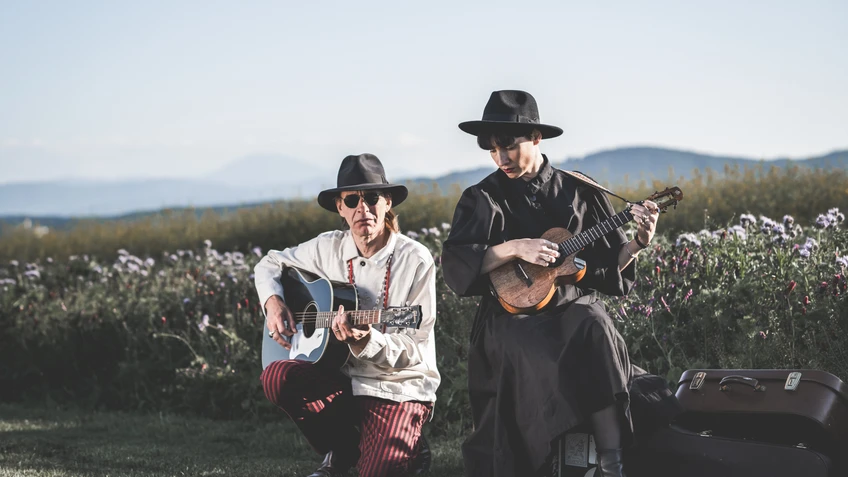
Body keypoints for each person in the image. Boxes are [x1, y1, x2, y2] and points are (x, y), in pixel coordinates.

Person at [441, 90, 661, 477]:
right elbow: (459, 261)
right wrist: (513, 248)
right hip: (510, 318)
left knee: (594, 322)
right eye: (493, 150)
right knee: (530, 347)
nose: (501, 159)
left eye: (508, 147)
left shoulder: (581, 190)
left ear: (536, 138)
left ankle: (612, 460)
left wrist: (639, 244)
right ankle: (546, 464)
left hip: (570, 307)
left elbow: (610, 265)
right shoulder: (482, 198)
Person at [254, 153, 441, 477]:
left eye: (371, 198)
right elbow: (269, 262)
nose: (362, 209)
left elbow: (414, 347)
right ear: (340, 208)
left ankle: (408, 444)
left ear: (387, 202)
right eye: (351, 200)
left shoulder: (416, 259)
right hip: (340, 376)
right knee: (277, 376)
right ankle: (343, 447)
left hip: (395, 386)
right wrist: (273, 302)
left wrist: (367, 339)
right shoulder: (326, 248)